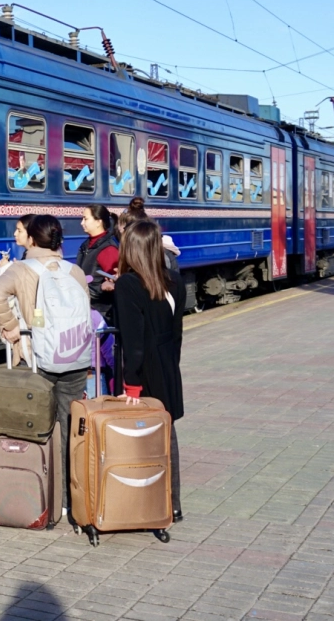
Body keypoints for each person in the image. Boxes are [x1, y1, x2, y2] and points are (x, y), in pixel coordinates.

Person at [0, 215, 90, 516]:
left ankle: (42, 493)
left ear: (31, 239)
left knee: (38, 428)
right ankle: (73, 497)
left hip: (36, 360)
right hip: (74, 358)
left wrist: (10, 326)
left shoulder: (21, 269)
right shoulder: (75, 270)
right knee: (70, 427)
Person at [115, 219, 186, 523]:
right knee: (166, 437)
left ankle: (143, 503)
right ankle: (172, 503)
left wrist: (131, 385)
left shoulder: (128, 284)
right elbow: (178, 334)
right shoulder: (174, 281)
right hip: (168, 367)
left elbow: (134, 342)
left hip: (143, 375)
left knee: (140, 440)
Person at [77, 205, 120, 320]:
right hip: (88, 308)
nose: (82, 223)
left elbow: (113, 283)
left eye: (85, 219)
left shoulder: (108, 250)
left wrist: (99, 289)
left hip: (101, 313)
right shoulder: (86, 245)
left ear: (98, 222)